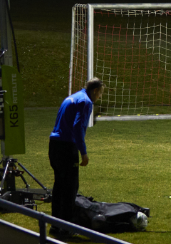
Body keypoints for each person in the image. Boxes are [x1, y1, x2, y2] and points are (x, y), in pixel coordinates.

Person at [49, 78, 104, 237]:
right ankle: (66, 227)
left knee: (59, 186)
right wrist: (83, 152)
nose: (99, 97)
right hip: (67, 147)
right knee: (70, 188)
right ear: (95, 91)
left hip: (54, 145)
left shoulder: (72, 97)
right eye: (100, 93)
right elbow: (78, 127)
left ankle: (55, 224)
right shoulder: (86, 102)